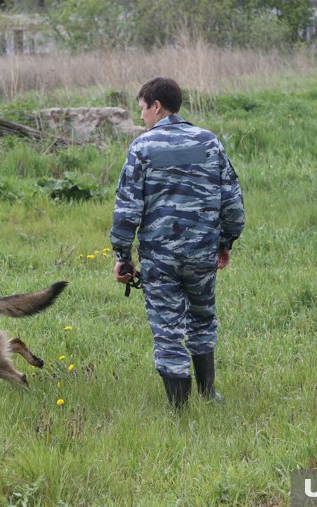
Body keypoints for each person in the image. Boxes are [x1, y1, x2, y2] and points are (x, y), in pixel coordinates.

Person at [110, 77, 245, 409]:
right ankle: (208, 393)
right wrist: (225, 241)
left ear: (157, 106)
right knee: (202, 319)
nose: (141, 117)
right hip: (203, 252)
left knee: (167, 328)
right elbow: (233, 202)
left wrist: (123, 256)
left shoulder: (142, 148)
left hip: (160, 257)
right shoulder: (210, 142)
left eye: (142, 109)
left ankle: (179, 409)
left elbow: (127, 210)